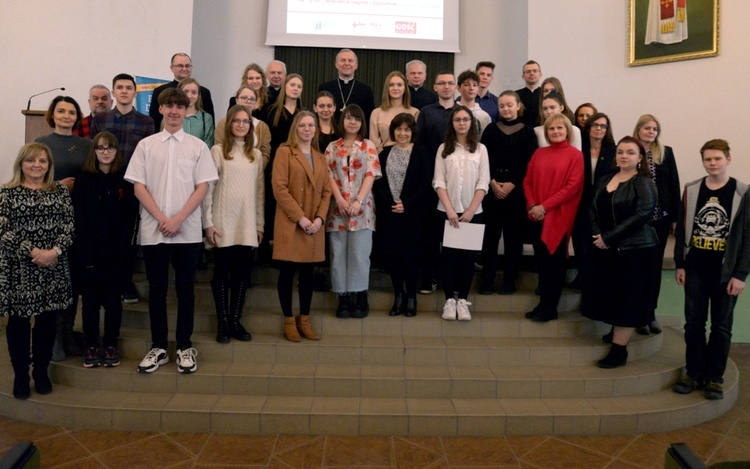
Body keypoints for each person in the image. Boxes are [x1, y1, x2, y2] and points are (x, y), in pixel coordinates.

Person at [124, 88, 218, 374]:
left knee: (186, 289)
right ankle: (158, 347)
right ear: (161, 109)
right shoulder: (147, 145)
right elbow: (138, 186)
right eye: (169, 106)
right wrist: (163, 218)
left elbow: (203, 186)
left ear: (186, 110)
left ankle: (185, 345)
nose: (175, 111)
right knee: (157, 289)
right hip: (155, 231)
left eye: (180, 106)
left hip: (186, 231)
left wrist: (177, 219)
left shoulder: (197, 147)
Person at [672, 139, 749, 400]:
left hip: (726, 274)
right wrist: (680, 264)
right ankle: (693, 373)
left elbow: (748, 237)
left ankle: (715, 377)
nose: (712, 163)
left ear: (728, 159)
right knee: (693, 325)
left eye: (717, 158)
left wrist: (741, 274)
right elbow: (682, 229)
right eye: (708, 159)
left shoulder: (743, 192)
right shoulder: (692, 189)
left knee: (721, 327)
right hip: (695, 270)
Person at [0, 143, 74, 399]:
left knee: (47, 323)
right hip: (20, 270)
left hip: (53, 267)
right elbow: (3, 230)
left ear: (49, 165)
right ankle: (21, 375)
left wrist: (53, 252)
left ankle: (41, 372)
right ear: (21, 163)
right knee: (19, 325)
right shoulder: (7, 193)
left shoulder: (60, 192)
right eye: (31, 160)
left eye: (42, 161)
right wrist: (34, 252)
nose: (37, 165)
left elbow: (69, 227)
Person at [584, 137, 658, 368]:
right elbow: (592, 208)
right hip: (608, 248)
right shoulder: (606, 179)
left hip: (635, 250)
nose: (624, 156)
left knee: (628, 298)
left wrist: (609, 237)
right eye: (620, 152)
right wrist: (599, 236)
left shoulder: (643, 182)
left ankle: (619, 351)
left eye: (630, 152)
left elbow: (642, 214)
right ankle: (617, 331)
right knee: (613, 293)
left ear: (639, 158)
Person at [35, 95, 91, 360]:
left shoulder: (87, 145)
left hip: (79, 217)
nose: (67, 116)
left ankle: (68, 332)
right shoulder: (41, 144)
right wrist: (58, 186)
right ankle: (53, 337)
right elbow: (31, 179)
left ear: (77, 116)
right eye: (61, 111)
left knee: (74, 279)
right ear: (53, 114)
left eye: (71, 112)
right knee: (54, 280)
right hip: (49, 220)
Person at [92, 73, 156, 305]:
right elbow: (95, 151)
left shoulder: (146, 122)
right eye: (119, 87)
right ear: (114, 92)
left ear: (134, 92)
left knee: (126, 236)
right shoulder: (101, 119)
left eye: (128, 87)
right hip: (106, 183)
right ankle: (104, 282)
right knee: (104, 233)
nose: (124, 91)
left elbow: (150, 158)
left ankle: (125, 282)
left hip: (132, 185)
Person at [203, 105, 264, 343]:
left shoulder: (255, 154)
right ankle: (223, 322)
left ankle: (236, 320)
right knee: (221, 274)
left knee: (241, 275)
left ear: (250, 126)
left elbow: (259, 192)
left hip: (247, 223)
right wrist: (208, 223)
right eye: (236, 121)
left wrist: (260, 225)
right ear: (229, 124)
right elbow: (208, 190)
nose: (241, 125)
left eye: (245, 121)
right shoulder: (217, 151)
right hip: (222, 222)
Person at [73, 132, 133, 368]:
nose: (105, 152)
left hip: (117, 253)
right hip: (89, 251)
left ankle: (110, 345)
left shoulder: (125, 179)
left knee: (113, 302)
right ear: (94, 151)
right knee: (90, 302)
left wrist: (122, 251)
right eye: (100, 148)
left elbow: (129, 218)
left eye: (110, 148)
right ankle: (90, 345)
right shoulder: (84, 178)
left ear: (117, 151)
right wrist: (85, 252)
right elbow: (79, 217)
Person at [272, 111, 332, 341]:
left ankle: (304, 319)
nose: (307, 129)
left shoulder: (320, 157)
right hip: (292, 222)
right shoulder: (284, 152)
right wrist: (301, 218)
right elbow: (279, 188)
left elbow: (327, 191)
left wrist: (319, 219)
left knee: (308, 274)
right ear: (295, 128)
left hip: (314, 224)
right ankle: (289, 319)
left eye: (311, 125)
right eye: (302, 125)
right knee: (287, 273)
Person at [523, 114, 584, 322]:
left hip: (558, 216)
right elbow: (527, 181)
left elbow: (572, 188)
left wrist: (544, 207)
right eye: (551, 129)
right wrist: (532, 205)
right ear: (546, 133)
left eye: (560, 128)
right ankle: (543, 305)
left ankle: (551, 308)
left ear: (567, 131)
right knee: (542, 262)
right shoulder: (539, 154)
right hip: (536, 216)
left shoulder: (575, 155)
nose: (556, 132)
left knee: (554, 264)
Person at [373, 113, 433, 317]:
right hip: (390, 215)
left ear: (412, 131)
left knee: (410, 258)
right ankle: (398, 295)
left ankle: (411, 297)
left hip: (413, 216)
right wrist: (392, 203)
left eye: (407, 129)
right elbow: (378, 182)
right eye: (399, 129)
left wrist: (406, 204)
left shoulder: (422, 152)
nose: (402, 133)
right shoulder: (384, 153)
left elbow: (425, 183)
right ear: (393, 131)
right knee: (393, 257)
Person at [434, 106, 490, 321]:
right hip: (448, 212)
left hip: (473, 213)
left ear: (471, 123)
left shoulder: (481, 149)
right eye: (457, 119)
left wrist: (470, 211)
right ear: (452, 123)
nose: (462, 123)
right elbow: (439, 181)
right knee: (448, 258)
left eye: (465, 119)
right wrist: (449, 209)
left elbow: (483, 182)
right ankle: (449, 301)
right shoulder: (443, 149)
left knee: (467, 259)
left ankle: (463, 301)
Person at [325, 104, 381, 318]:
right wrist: (339, 198)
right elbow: (328, 174)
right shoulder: (332, 146)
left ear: (361, 122)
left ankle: (360, 296)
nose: (352, 122)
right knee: (338, 254)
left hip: (362, 209)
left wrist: (358, 200)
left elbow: (371, 173)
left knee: (359, 254)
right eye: (348, 118)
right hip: (337, 208)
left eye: (356, 119)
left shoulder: (368, 146)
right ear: (342, 121)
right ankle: (343, 297)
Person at [479, 90, 538, 295]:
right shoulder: (490, 130)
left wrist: (512, 183)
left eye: (509, 105)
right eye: (502, 105)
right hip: (492, 191)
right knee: (490, 238)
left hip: (516, 192)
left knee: (514, 240)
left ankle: (509, 281)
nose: (505, 108)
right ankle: (487, 281)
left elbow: (529, 163)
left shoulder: (528, 132)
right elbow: (484, 159)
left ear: (518, 106)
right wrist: (493, 183)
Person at [633, 114, 681, 335]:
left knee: (654, 268)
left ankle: (650, 313)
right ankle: (637, 314)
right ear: (639, 129)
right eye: (647, 128)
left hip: (660, 218)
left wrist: (674, 218)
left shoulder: (665, 152)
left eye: (655, 129)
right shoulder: (629, 150)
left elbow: (673, 183)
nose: (651, 132)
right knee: (637, 267)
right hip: (635, 221)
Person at [415, 71, 457, 295]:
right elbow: (419, 146)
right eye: (442, 83)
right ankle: (429, 277)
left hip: (458, 184)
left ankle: (453, 280)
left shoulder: (463, 113)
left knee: (456, 231)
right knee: (431, 233)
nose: (447, 87)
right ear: (435, 87)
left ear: (456, 87)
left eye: (451, 83)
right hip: (432, 183)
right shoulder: (426, 112)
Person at [571, 113, 616, 293]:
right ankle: (583, 276)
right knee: (581, 243)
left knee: (598, 244)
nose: (598, 129)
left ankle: (595, 281)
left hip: (601, 206)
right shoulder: (578, 148)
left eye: (603, 126)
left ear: (607, 130)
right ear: (588, 128)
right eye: (595, 125)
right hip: (579, 202)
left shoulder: (613, 150)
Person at [263, 74, 304, 260]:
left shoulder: (303, 114)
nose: (295, 88)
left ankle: (293, 248)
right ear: (285, 87)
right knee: (274, 205)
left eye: (299, 86)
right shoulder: (271, 111)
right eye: (292, 85)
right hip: (276, 164)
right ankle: (271, 249)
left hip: (297, 165)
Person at [149, 53, 214, 130]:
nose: (184, 68)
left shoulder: (204, 92)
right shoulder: (160, 91)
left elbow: (210, 124)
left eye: (187, 66)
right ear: (172, 68)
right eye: (180, 66)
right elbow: (154, 121)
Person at [215, 85, 272, 167]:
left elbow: (265, 153)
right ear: (237, 100)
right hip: (227, 170)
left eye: (252, 99)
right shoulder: (224, 122)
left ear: (256, 103)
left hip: (253, 172)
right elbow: (219, 147)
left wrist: (255, 169)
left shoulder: (263, 127)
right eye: (244, 98)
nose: (248, 101)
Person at [318, 49, 375, 126]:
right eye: (343, 60)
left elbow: (368, 119)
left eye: (350, 60)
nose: (346, 63)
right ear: (336, 64)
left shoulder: (365, 90)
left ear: (356, 65)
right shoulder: (325, 88)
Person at [369, 71, 419, 153]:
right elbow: (373, 142)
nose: (395, 88)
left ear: (405, 88)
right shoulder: (377, 113)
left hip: (408, 156)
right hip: (382, 156)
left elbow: (415, 140)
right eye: (391, 85)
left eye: (399, 85)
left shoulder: (415, 112)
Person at [176, 77, 214, 147]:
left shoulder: (206, 118)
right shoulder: (171, 116)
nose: (189, 96)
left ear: (198, 95)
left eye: (194, 92)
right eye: (185, 92)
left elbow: (208, 145)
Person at [455, 70, 491, 139]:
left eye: (475, 85)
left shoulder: (484, 116)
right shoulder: (452, 111)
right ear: (458, 88)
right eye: (467, 84)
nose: (471, 88)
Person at [516, 60, 542, 127]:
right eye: (528, 71)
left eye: (535, 71)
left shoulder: (546, 94)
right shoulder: (515, 95)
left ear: (540, 75)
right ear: (523, 76)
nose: (532, 73)